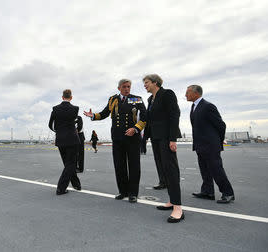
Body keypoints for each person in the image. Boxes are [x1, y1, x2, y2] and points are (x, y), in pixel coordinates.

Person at [84, 79, 146, 203]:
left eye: (129, 86)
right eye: (124, 87)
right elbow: (105, 113)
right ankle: (123, 191)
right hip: (117, 137)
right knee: (119, 165)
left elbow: (144, 116)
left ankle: (133, 193)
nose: (127, 89)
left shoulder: (136, 98)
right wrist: (93, 116)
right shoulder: (113, 99)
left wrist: (135, 128)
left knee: (134, 166)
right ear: (119, 88)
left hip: (133, 137)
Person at [143, 74, 183, 223]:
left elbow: (175, 114)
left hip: (166, 138)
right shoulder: (150, 99)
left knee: (171, 170)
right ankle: (172, 201)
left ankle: (178, 208)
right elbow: (149, 119)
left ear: (155, 82)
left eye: (146, 83)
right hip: (156, 138)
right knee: (164, 170)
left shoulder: (167, 94)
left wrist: (172, 138)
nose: (145, 85)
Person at [186, 85, 235, 204]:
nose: (185, 95)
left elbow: (221, 125)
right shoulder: (194, 107)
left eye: (188, 92)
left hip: (210, 145)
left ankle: (228, 193)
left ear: (196, 93)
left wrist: (218, 141)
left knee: (216, 169)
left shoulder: (208, 106)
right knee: (205, 170)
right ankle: (208, 192)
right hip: (200, 145)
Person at [49, 89, 82, 195]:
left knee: (67, 164)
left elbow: (50, 125)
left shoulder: (55, 109)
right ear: (71, 97)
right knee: (71, 164)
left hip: (60, 139)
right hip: (72, 139)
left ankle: (76, 184)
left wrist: (58, 131)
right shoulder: (75, 109)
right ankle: (61, 188)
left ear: (62, 97)